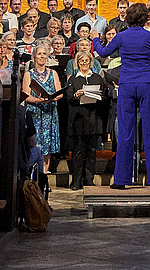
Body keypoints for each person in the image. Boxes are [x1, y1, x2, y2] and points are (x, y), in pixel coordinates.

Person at [92, 1, 150, 189]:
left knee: (125, 132)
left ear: (128, 17)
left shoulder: (121, 36)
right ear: (145, 18)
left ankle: (120, 181)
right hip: (146, 84)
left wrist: (95, 38)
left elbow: (102, 52)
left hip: (126, 85)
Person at [66, 51, 107, 189]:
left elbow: (104, 99)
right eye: (81, 61)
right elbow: (69, 98)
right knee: (78, 152)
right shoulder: (73, 79)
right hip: (78, 120)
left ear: (91, 63)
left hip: (93, 119)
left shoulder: (97, 78)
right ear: (77, 63)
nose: (84, 64)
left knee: (91, 152)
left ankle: (89, 179)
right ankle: (76, 181)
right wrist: (77, 95)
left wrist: (99, 96)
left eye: (86, 61)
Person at [22, 43, 61, 172]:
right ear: (34, 57)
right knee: (35, 144)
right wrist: (38, 100)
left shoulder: (53, 73)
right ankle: (34, 175)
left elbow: (59, 92)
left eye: (44, 54)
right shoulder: (29, 74)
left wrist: (52, 98)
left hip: (49, 113)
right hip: (35, 113)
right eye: (39, 54)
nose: (42, 56)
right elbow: (25, 95)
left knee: (47, 145)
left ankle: (44, 175)